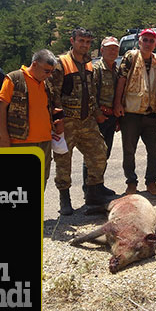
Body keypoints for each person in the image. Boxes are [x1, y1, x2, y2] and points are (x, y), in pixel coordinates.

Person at [47, 27, 110, 216]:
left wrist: (97, 113)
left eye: (88, 42)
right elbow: (52, 94)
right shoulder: (61, 63)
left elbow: (91, 93)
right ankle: (64, 199)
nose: (84, 45)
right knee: (63, 160)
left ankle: (93, 195)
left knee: (99, 153)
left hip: (86, 119)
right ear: (72, 41)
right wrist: (57, 120)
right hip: (66, 121)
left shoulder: (89, 64)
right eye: (81, 40)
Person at [0, 49, 63, 191]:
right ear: (35, 64)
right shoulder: (14, 79)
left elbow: (49, 107)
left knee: (41, 180)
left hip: (44, 142)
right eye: (46, 71)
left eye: (51, 71)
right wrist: (4, 137)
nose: (49, 75)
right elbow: (1, 108)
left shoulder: (46, 83)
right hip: (21, 142)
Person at [113, 28, 156, 196]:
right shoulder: (130, 57)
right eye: (145, 40)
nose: (148, 43)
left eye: (151, 41)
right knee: (129, 150)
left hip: (151, 113)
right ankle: (131, 182)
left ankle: (151, 181)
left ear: (155, 43)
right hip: (131, 112)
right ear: (139, 41)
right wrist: (117, 103)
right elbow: (121, 80)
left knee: (154, 150)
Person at [81, 36, 120, 196]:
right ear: (102, 50)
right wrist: (97, 115)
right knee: (93, 154)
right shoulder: (95, 69)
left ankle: (98, 185)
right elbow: (90, 95)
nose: (113, 51)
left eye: (115, 48)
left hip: (111, 118)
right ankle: (89, 189)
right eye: (109, 48)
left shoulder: (116, 70)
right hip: (98, 118)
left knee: (105, 153)